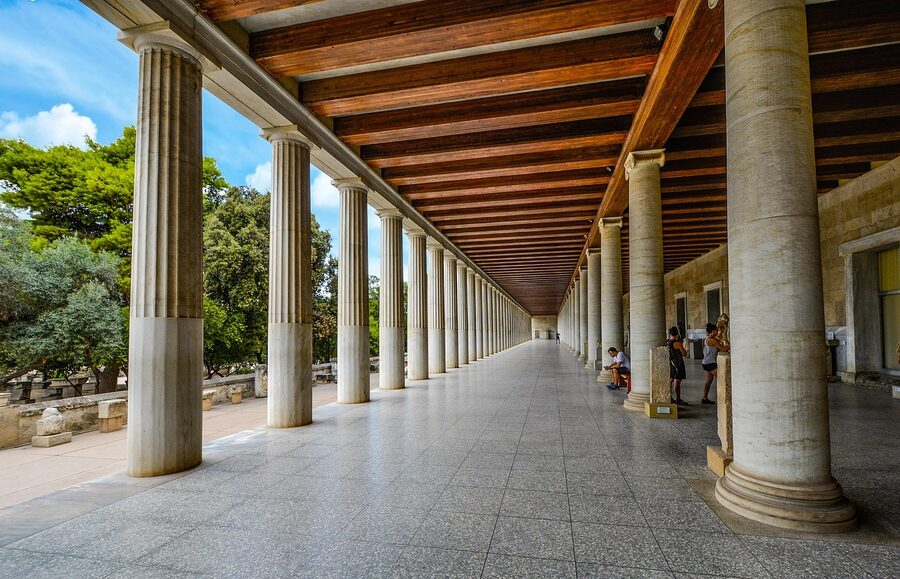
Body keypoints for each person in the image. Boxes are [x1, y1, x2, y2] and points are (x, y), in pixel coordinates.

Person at [701, 322, 730, 404]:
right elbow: (723, 349)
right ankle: (723, 399)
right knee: (722, 379)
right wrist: (732, 345)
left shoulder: (708, 338)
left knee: (708, 381)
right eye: (716, 330)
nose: (718, 332)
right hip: (710, 363)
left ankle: (704, 398)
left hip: (705, 362)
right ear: (713, 331)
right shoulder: (712, 340)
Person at [667, 326, 688, 405]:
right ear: (677, 334)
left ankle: (669, 397)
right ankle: (678, 399)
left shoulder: (667, 342)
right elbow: (684, 353)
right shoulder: (677, 343)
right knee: (677, 382)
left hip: (670, 363)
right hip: (678, 363)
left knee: (670, 380)